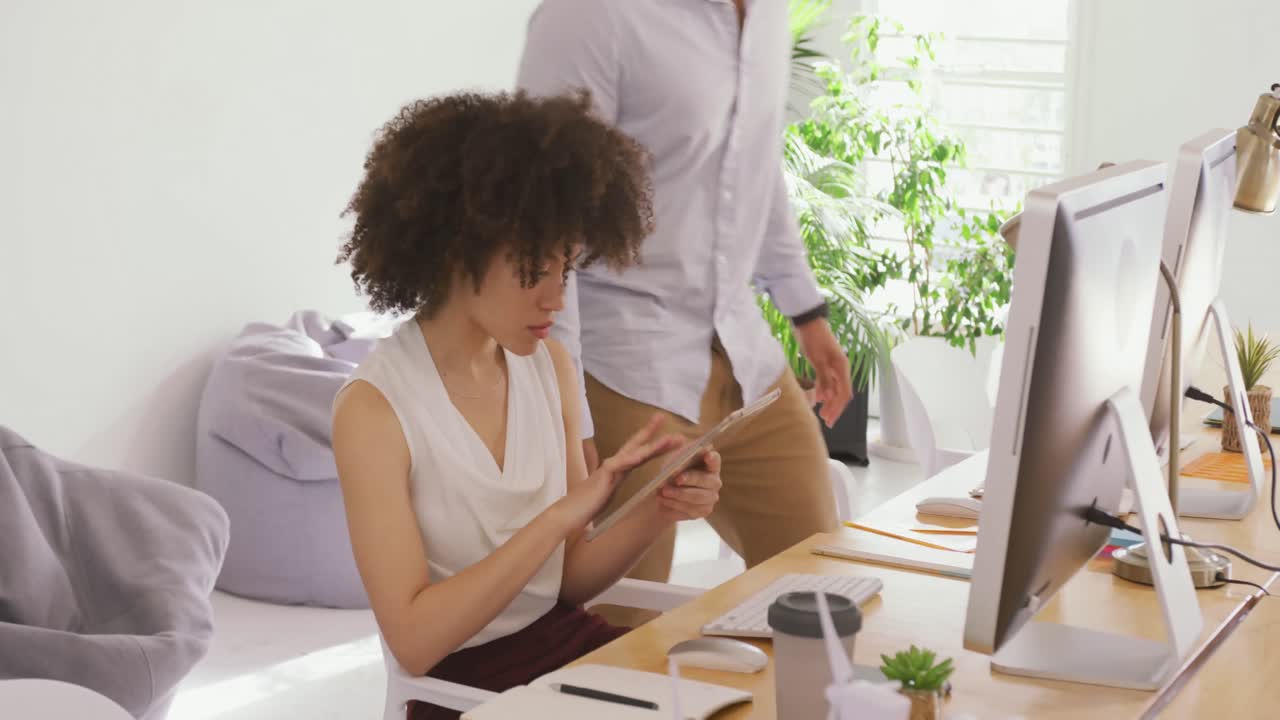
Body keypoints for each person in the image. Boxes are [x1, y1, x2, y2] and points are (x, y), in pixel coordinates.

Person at [330, 90, 723, 720]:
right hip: (459, 690)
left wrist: (659, 508)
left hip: (570, 655)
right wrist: (561, 516)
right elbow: (415, 640)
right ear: (456, 251)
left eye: (565, 270)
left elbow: (567, 585)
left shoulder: (550, 370)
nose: (556, 300)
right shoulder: (374, 411)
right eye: (532, 271)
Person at [516, 0, 852, 605]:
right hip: (623, 360)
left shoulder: (767, 15)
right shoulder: (589, 17)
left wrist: (807, 312)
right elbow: (545, 219)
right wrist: (569, 412)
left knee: (820, 594)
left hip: (741, 350)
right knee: (621, 628)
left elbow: (755, 166)